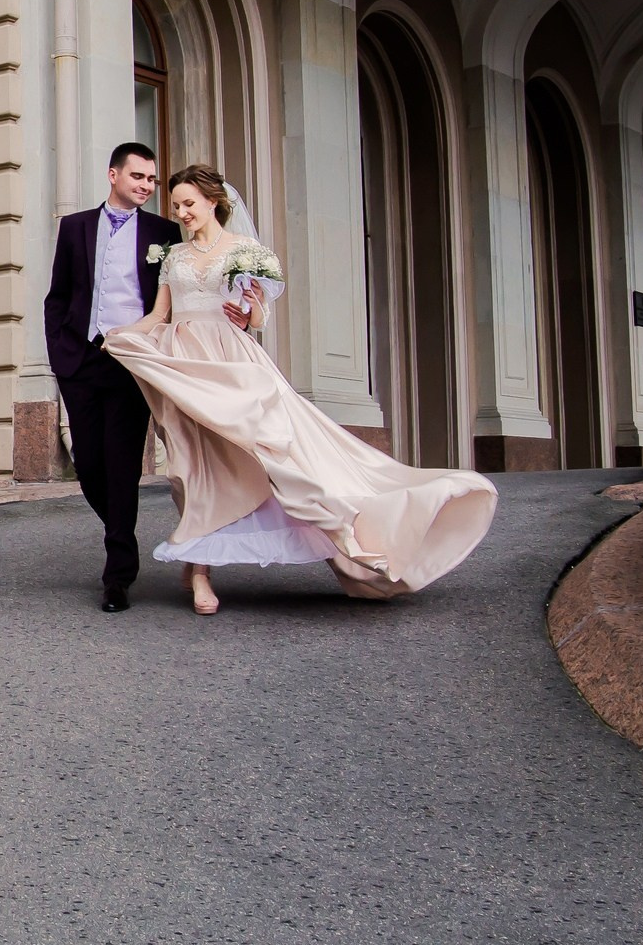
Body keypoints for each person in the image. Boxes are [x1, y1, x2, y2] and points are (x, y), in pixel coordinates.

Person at [103, 163, 499, 614]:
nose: (182, 212)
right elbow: (160, 315)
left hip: (233, 364)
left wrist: (250, 310)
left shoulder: (244, 250)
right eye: (176, 206)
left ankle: (344, 543)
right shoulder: (172, 257)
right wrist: (122, 336)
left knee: (276, 460)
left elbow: (257, 318)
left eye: (189, 203)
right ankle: (199, 571)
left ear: (213, 200)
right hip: (186, 369)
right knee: (192, 467)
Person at [42, 142, 185, 612]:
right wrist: (60, 353)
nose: (146, 186)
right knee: (88, 467)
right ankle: (119, 531)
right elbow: (58, 294)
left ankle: (117, 575)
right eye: (138, 177)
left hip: (132, 360)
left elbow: (174, 297)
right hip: (81, 358)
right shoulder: (76, 227)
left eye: (151, 180)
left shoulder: (165, 232)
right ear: (113, 175)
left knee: (122, 464)